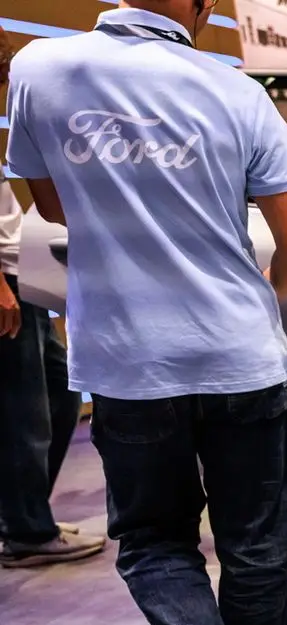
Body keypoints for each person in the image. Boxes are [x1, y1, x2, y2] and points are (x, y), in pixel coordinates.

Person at [6, 0, 287, 625]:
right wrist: (257, 302)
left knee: (153, 537)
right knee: (257, 541)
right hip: (243, 358)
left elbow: (53, 205)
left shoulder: (40, 68)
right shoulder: (239, 93)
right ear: (205, 6)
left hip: (127, 364)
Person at [0, 26, 106, 569]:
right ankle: (25, 530)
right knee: (24, 415)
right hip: (5, 285)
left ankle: (24, 516)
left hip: (19, 278)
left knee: (61, 397)